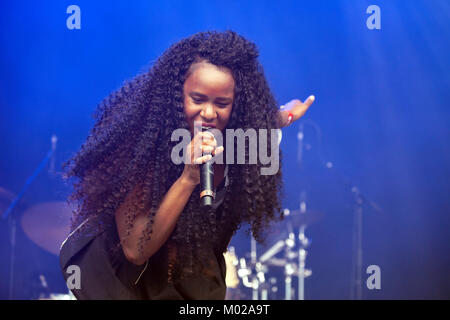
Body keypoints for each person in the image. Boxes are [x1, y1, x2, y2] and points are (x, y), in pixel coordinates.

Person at [59, 30, 314, 300]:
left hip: (186, 279)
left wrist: (283, 115)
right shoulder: (141, 143)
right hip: (124, 284)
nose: (208, 114)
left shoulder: (233, 135)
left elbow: (258, 120)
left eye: (222, 103)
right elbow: (135, 249)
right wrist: (188, 178)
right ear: (175, 94)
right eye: (198, 99)